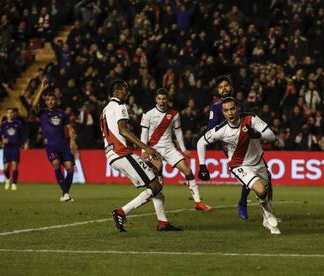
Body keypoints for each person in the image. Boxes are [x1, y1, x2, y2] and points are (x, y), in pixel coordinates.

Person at [101, 79, 182, 232]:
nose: (128, 92)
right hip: (121, 154)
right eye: (125, 90)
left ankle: (163, 222)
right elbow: (122, 130)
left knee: (156, 182)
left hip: (113, 154)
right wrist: (146, 148)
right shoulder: (119, 105)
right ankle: (121, 212)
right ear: (117, 92)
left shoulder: (105, 109)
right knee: (156, 185)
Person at [197, 97, 280, 234]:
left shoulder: (251, 118)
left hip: (258, 163)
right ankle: (268, 213)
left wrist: (257, 134)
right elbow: (201, 142)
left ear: (237, 108)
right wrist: (202, 166)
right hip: (239, 166)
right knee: (261, 191)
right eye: (226, 110)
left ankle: (266, 219)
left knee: (266, 193)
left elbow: (271, 136)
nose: (230, 113)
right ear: (223, 113)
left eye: (232, 109)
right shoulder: (221, 130)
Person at [140, 88, 212, 211]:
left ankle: (198, 202)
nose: (161, 101)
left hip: (169, 148)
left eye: (164, 99)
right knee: (158, 173)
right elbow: (144, 133)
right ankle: (155, 204)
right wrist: (143, 151)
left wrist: (183, 149)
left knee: (187, 170)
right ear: (155, 99)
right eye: (159, 99)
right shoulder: (148, 114)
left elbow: (178, 131)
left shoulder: (174, 114)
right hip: (153, 149)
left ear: (168, 99)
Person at [208, 75, 251, 220]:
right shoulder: (216, 107)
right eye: (220, 87)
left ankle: (266, 211)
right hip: (231, 147)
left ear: (231, 87)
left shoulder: (239, 104)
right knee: (248, 178)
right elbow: (211, 129)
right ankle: (242, 204)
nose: (224, 89)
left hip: (247, 144)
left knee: (264, 177)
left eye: (226, 85)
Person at [32, 79, 78, 202]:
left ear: (56, 100)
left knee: (70, 169)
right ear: (45, 102)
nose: (50, 101)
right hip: (51, 145)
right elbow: (34, 104)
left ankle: (65, 193)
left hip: (63, 144)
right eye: (48, 100)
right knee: (57, 165)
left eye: (52, 99)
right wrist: (42, 89)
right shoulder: (42, 113)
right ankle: (65, 193)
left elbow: (69, 128)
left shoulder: (62, 114)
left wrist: (72, 140)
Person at [0, 108, 27, 190]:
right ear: (6, 114)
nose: (10, 114)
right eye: (8, 113)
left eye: (11, 113)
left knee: (15, 166)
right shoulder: (3, 124)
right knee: (6, 168)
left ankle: (14, 183)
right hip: (7, 148)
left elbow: (23, 135)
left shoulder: (18, 124)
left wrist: (23, 143)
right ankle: (7, 178)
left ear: (14, 114)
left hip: (15, 148)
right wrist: (2, 140)